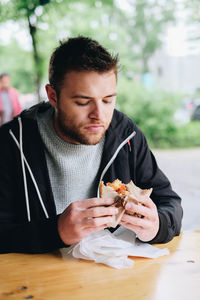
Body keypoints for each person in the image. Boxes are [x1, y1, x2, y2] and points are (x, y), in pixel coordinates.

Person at [0, 36, 183, 254]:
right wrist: (56, 231)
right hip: (34, 284)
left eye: (108, 100)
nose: (99, 115)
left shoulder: (126, 135)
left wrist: (157, 226)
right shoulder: (11, 143)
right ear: (53, 96)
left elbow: (170, 203)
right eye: (83, 102)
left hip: (114, 279)